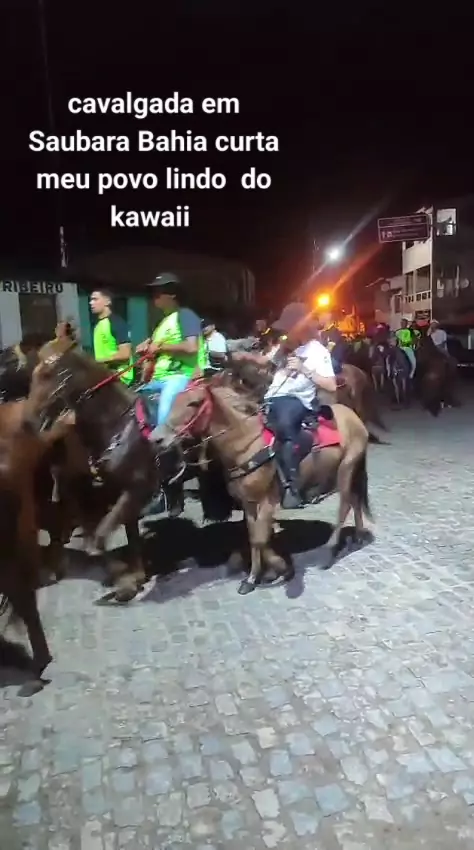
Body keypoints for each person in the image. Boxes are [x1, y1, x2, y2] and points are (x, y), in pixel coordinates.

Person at [264, 303, 337, 508]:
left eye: (289, 328)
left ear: (302, 328)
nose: (286, 332)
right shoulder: (285, 348)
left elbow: (331, 385)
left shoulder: (318, 351)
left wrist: (304, 369)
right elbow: (263, 362)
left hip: (296, 401)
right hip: (271, 397)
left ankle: (291, 487)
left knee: (284, 425)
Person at [137, 273, 206, 426]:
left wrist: (160, 347)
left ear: (173, 294)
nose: (154, 296)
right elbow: (155, 354)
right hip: (158, 379)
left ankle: (165, 439)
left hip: (181, 376)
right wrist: (147, 350)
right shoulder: (161, 324)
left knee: (164, 420)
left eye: (158, 292)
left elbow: (192, 347)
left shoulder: (186, 315)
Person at [90, 289, 134, 384]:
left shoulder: (117, 322)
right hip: (104, 376)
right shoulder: (97, 326)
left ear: (107, 301)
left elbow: (125, 354)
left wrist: (98, 362)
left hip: (119, 377)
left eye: (95, 299)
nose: (91, 303)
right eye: (91, 300)